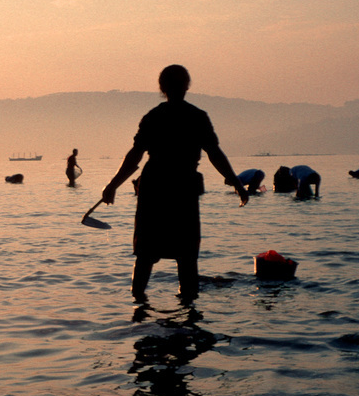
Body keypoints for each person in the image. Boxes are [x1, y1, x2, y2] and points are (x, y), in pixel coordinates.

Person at [102, 65, 249, 301]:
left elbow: (135, 156)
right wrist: (238, 185)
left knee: (146, 255)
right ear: (187, 86)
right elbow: (215, 154)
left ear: (162, 88)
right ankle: (188, 312)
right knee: (186, 255)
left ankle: (138, 307)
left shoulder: (154, 117)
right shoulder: (197, 117)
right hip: (183, 189)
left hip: (155, 188)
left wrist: (112, 185)